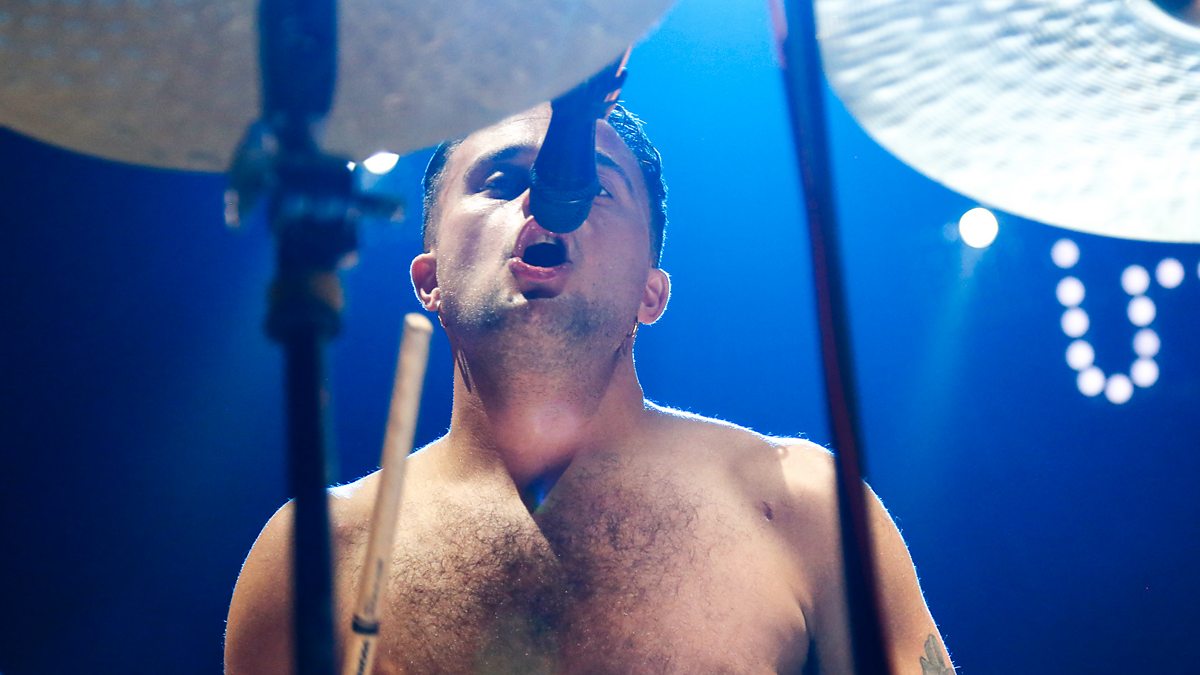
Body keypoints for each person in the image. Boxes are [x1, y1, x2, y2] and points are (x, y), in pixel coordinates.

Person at [224, 102, 954, 674]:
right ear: (429, 279)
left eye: (595, 187)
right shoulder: (315, 552)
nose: (548, 205)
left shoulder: (802, 505)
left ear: (650, 292)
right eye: (501, 181)